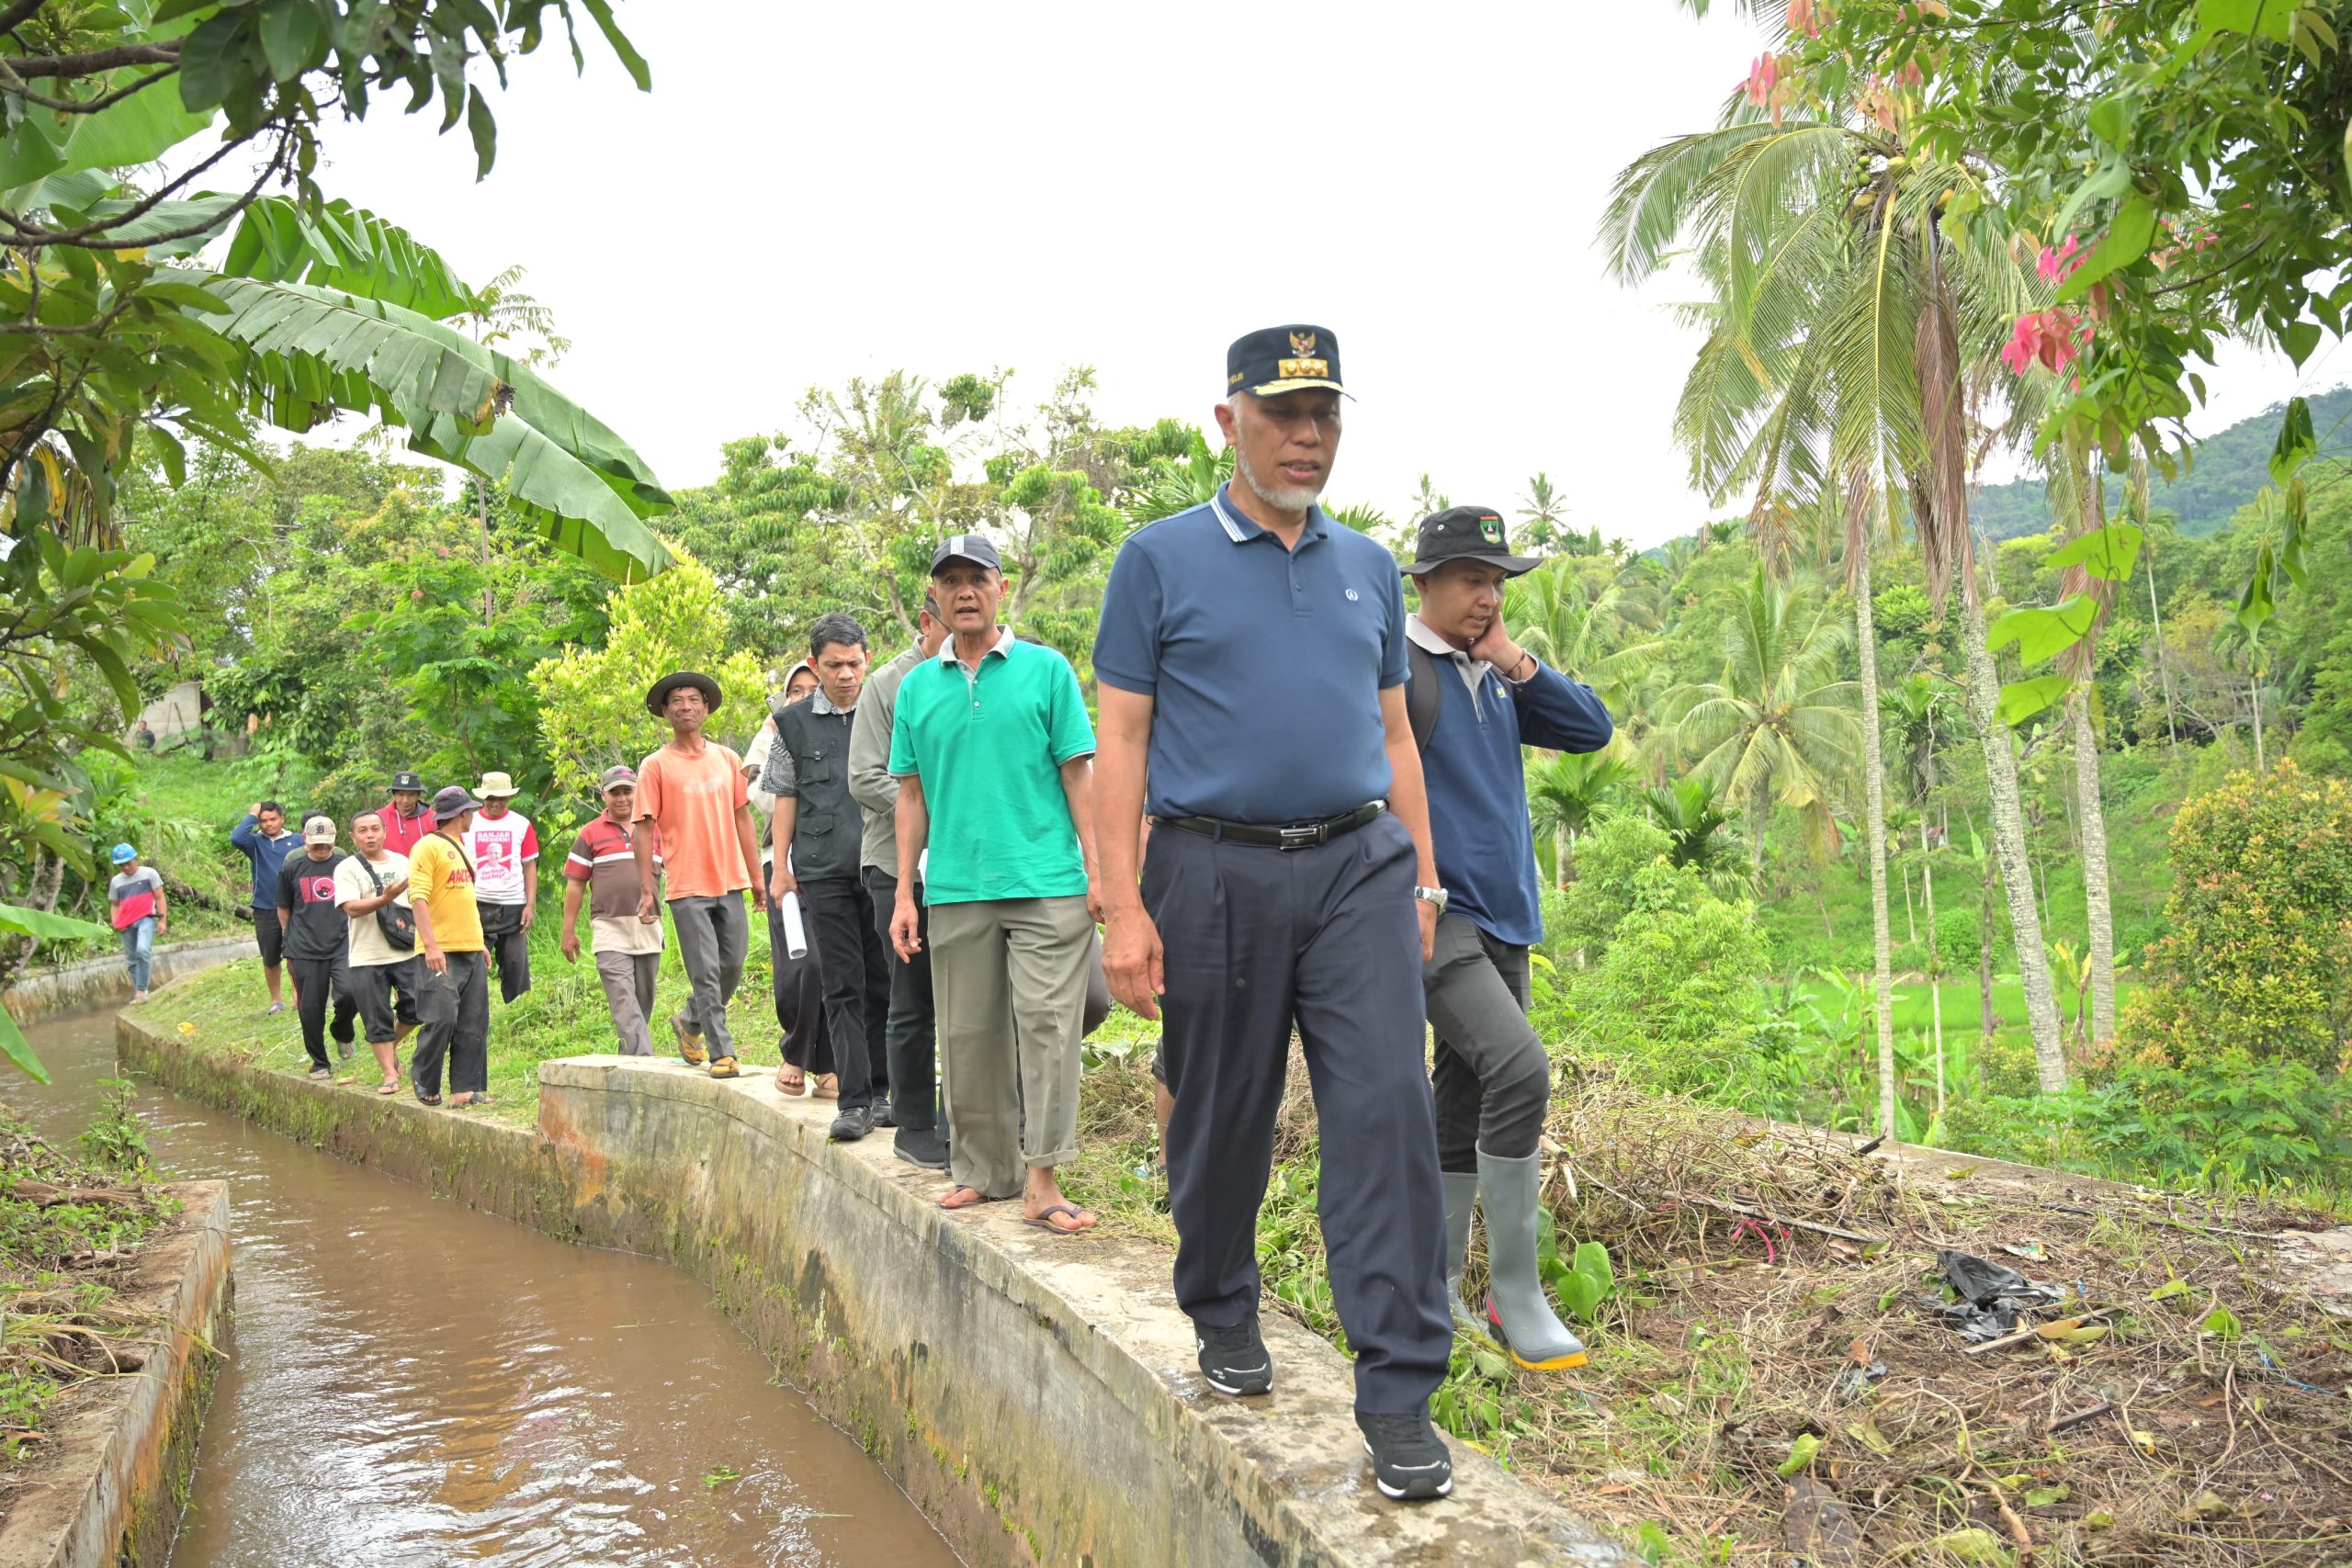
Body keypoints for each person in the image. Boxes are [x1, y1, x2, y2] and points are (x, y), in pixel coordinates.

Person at [1091, 326, 1457, 1502]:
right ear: (1228, 419)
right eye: (1283, 413)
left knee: (1387, 1110)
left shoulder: (1369, 564)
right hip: (1210, 872)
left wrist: (1424, 881)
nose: (1307, 438)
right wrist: (1122, 910)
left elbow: (1395, 734)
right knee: (1221, 1112)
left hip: (1358, 866)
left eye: (1325, 417)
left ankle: (1399, 1391)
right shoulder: (1158, 558)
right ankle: (1219, 1301)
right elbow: (1124, 741)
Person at [1401, 506, 1614, 1371]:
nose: (1488, 596)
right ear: (1425, 583)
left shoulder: (1492, 674)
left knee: (1464, 1094)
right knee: (1521, 1067)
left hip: (1507, 917)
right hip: (1436, 913)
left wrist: (1512, 657)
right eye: (1471, 579)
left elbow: (1590, 730)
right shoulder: (1401, 670)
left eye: (1497, 581)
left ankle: (1442, 1285)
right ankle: (1513, 1290)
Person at [888, 535, 1102, 1234]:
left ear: (1001, 586)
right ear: (936, 598)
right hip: (954, 886)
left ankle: (1042, 1178)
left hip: (1047, 882)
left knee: (1047, 1028)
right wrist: (902, 895)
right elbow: (911, 796)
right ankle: (984, 1170)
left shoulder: (1046, 671)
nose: (965, 592)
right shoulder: (918, 687)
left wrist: (1101, 876)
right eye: (950, 581)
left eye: (977, 577)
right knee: (970, 1033)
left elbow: (1079, 774)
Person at [766, 614, 894, 1142]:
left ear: (867, 660)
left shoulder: (889, 711)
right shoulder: (791, 724)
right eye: (834, 665)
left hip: (884, 866)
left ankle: (887, 1094)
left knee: (885, 982)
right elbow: (785, 795)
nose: (846, 674)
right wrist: (779, 870)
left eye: (854, 663)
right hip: (822, 872)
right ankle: (854, 1100)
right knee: (841, 984)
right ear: (814, 665)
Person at [848, 597, 953, 1169]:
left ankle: (959, 1120)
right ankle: (913, 1124)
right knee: (912, 1001)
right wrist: (939, 810)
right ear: (926, 621)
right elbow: (865, 776)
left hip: (963, 868)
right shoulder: (887, 685)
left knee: (965, 1000)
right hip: (895, 866)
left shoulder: (976, 674)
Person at [636, 671, 765, 1080]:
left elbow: (743, 819)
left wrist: (756, 876)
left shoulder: (727, 759)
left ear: (706, 709)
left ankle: (690, 1021)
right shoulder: (655, 766)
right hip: (686, 885)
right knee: (705, 970)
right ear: (664, 712)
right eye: (676, 701)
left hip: (730, 879)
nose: (686, 706)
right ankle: (721, 1051)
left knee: (733, 964)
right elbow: (643, 828)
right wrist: (647, 888)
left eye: (694, 699)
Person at [749, 664, 837, 1097]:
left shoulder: (842, 725)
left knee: (835, 960)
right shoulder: (774, 733)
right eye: (795, 691)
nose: (803, 697)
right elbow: (762, 796)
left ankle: (828, 1062)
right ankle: (797, 1053)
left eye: (811, 689)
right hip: (782, 863)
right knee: (799, 963)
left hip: (836, 861)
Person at [559, 766, 667, 1056]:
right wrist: (568, 932)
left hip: (647, 928)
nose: (622, 798)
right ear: (603, 795)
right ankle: (646, 1063)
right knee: (623, 1002)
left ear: (638, 792)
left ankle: (629, 1064)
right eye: (615, 792)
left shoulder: (656, 829)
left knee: (642, 1004)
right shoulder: (590, 833)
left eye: (627, 791)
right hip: (609, 930)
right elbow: (575, 885)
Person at [410, 784, 492, 1109]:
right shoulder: (426, 847)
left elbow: (464, 901)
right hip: (439, 949)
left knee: (474, 1020)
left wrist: (480, 942)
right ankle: (425, 1078)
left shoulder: (462, 847)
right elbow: (418, 898)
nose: (472, 816)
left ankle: (465, 1089)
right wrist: (430, 946)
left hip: (469, 946)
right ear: (461, 814)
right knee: (441, 1017)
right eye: (470, 811)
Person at [335, 809, 422, 1095]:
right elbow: (350, 907)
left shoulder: (403, 862)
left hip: (406, 951)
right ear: (353, 837)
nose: (370, 835)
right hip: (366, 956)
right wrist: (384, 898)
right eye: (363, 831)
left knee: (417, 1007)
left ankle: (391, 1045)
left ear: (385, 832)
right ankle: (389, 1075)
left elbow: (418, 901)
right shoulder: (347, 868)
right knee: (376, 1017)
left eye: (375, 829)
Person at [277, 815, 360, 1078]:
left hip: (342, 942)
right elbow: (284, 907)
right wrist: (288, 936)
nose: (322, 848)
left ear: (335, 839)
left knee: (350, 992)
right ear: (305, 840)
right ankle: (320, 1061)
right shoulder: (293, 867)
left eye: (326, 843)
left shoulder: (346, 865)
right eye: (316, 844)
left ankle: (342, 1031)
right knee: (310, 1008)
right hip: (304, 947)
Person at [460, 772, 539, 1003]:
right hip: (477, 902)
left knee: (515, 963)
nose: (496, 803)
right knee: (472, 962)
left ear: (509, 798)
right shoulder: (468, 823)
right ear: (483, 797)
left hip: (513, 902)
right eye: (491, 798)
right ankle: (471, 1006)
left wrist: (530, 904)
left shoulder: (521, 824)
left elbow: (529, 866)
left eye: (501, 798)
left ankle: (517, 1009)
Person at [231, 800, 300, 1014]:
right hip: (265, 907)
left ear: (282, 819)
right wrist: (251, 815)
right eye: (263, 821)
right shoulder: (254, 843)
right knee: (270, 957)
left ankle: (299, 998)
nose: (269, 824)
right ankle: (276, 1000)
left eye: (273, 819)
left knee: (296, 954)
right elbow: (235, 837)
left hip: (296, 906)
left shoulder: (297, 840)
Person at [107, 843, 166, 1002]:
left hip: (146, 918)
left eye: (129, 863)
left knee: (142, 950)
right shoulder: (116, 882)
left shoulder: (149, 874)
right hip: (126, 924)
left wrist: (162, 920)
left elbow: (160, 897)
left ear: (136, 859)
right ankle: (140, 992)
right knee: (132, 959)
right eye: (122, 865)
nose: (126, 867)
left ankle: (141, 989)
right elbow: (114, 904)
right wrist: (116, 922)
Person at [377, 771, 435, 858]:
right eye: (401, 795)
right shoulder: (378, 818)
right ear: (394, 794)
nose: (405, 800)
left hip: (423, 870)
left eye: (411, 795)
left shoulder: (433, 818)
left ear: (418, 795)